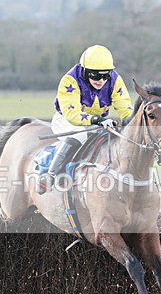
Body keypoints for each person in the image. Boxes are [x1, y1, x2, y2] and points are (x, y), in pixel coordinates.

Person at [37, 44, 133, 193]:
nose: (101, 80)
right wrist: (98, 120)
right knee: (80, 134)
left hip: (96, 122)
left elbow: (125, 107)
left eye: (105, 75)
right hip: (67, 120)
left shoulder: (115, 80)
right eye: (95, 75)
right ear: (85, 70)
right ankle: (50, 175)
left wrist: (130, 123)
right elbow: (73, 114)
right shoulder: (70, 80)